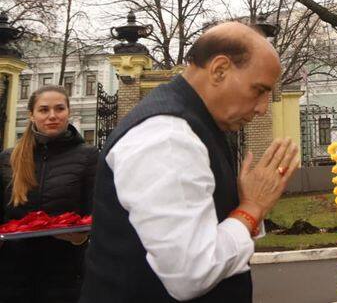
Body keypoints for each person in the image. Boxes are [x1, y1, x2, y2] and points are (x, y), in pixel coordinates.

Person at [80, 22, 299, 303]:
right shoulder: (167, 136)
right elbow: (192, 273)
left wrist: (242, 206)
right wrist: (251, 208)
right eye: (258, 90)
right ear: (219, 69)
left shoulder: (191, 124)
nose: (262, 108)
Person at [0, 85, 99, 303]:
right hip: (12, 276)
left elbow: (94, 212)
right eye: (44, 110)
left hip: (66, 274)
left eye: (59, 109)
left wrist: (81, 237)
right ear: (32, 116)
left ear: (68, 112)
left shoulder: (88, 156)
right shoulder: (8, 159)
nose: (52, 116)